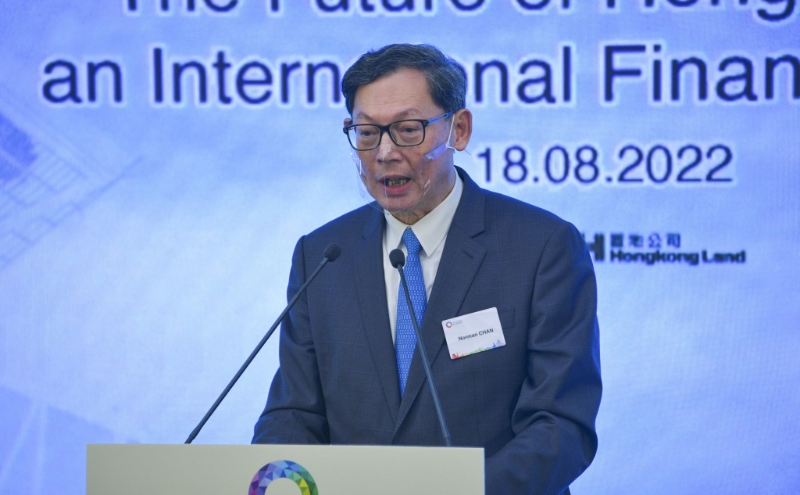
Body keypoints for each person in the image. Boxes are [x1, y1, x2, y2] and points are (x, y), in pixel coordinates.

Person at [252, 43, 601, 495]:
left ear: (460, 129)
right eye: (366, 132)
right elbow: (293, 415)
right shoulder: (322, 255)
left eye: (407, 130)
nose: (384, 152)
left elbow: (560, 427)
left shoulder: (541, 248)